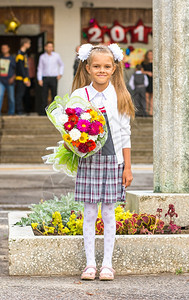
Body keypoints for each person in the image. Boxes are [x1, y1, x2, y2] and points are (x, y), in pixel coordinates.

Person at [69, 44, 134, 281]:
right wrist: (71, 144)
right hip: (89, 162)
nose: (101, 70)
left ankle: (107, 264)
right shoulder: (79, 96)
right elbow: (70, 130)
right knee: (88, 213)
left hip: (114, 162)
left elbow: (125, 134)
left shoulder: (120, 96)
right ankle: (89, 264)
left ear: (114, 68)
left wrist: (127, 167)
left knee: (108, 213)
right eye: (96, 66)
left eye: (107, 66)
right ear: (87, 68)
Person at [37, 41, 64, 115]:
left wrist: (60, 74)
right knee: (44, 95)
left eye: (51, 47)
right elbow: (40, 68)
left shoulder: (56, 56)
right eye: (48, 47)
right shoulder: (42, 57)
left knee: (54, 95)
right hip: (45, 78)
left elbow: (61, 65)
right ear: (45, 47)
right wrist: (39, 79)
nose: (50, 48)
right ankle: (43, 112)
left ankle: (54, 112)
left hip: (53, 78)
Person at [15, 38, 31, 115]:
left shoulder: (24, 54)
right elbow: (21, 68)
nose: (29, 45)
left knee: (22, 95)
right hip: (20, 79)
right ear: (25, 44)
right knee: (19, 95)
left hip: (24, 78)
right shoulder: (20, 54)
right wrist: (25, 78)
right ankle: (19, 111)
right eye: (28, 43)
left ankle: (21, 110)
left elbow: (25, 68)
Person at [0, 44, 16, 115]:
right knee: (0, 96)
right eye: (2, 48)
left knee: (11, 98)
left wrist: (13, 78)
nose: (4, 50)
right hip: (1, 81)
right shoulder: (0, 58)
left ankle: (11, 113)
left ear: (8, 49)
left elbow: (17, 70)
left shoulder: (12, 59)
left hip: (10, 81)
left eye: (5, 48)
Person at [141, 50, 153, 116]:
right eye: (149, 54)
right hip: (146, 80)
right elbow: (141, 71)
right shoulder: (144, 63)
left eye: (151, 54)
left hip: (153, 80)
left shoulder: (156, 63)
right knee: (146, 96)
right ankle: (146, 110)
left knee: (152, 96)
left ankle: (151, 111)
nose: (150, 56)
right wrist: (147, 72)